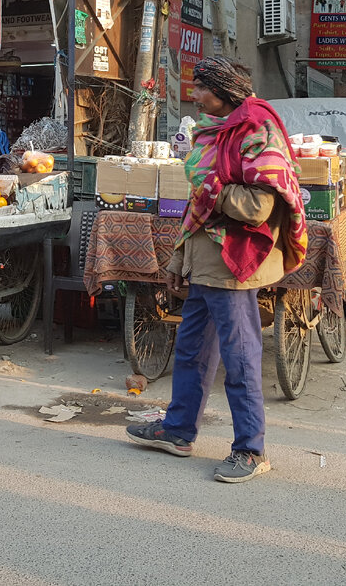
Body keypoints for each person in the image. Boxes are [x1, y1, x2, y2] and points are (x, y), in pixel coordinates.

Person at [125, 58, 308, 483]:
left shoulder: (256, 131)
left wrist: (214, 187)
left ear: (224, 92)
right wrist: (178, 258)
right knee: (190, 352)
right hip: (204, 263)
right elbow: (197, 204)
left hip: (232, 264)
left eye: (202, 88)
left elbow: (257, 207)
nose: (195, 94)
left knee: (240, 358)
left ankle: (251, 449)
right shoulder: (211, 132)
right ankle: (178, 431)